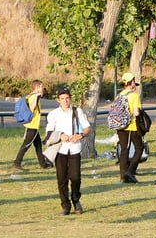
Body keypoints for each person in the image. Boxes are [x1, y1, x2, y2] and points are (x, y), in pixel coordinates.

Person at [45, 87, 91, 215]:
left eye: (67, 98)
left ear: (70, 98)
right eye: (62, 99)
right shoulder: (53, 114)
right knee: (62, 178)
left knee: (75, 177)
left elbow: (87, 128)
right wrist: (60, 135)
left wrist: (79, 135)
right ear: (58, 100)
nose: (65, 101)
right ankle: (65, 206)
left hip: (75, 148)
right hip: (60, 149)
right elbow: (48, 132)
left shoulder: (77, 111)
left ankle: (76, 200)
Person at [13, 80, 51, 171]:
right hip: (32, 126)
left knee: (38, 145)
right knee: (26, 144)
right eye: (41, 86)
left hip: (34, 126)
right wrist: (37, 96)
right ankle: (17, 163)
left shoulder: (31, 96)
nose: (43, 88)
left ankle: (43, 164)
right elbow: (32, 107)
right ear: (37, 87)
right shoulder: (34, 96)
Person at [114, 73, 143, 183]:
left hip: (120, 126)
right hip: (131, 126)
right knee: (139, 148)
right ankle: (130, 171)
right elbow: (136, 113)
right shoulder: (134, 95)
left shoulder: (120, 95)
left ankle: (123, 175)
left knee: (124, 150)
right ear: (131, 82)